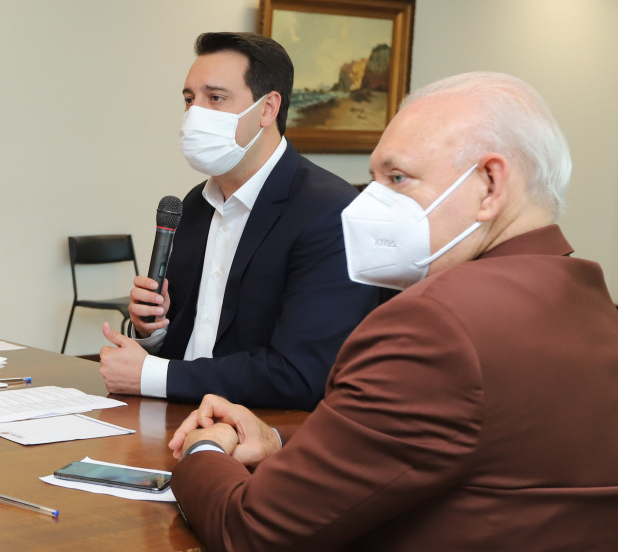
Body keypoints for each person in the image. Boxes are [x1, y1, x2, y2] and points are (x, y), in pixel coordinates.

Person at [167, 71, 618, 550]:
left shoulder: (435, 323)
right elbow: (453, 444)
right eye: (373, 180)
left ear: (490, 185)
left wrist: (203, 450)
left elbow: (251, 531)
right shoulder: (595, 305)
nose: (369, 204)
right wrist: (280, 443)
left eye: (397, 178)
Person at [99, 32, 379, 410]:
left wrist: (150, 374)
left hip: (265, 436)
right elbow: (194, 339)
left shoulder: (330, 212)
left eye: (215, 98)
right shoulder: (194, 205)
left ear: (267, 109)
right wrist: (152, 331)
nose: (195, 113)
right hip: (178, 418)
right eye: (189, 99)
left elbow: (298, 375)